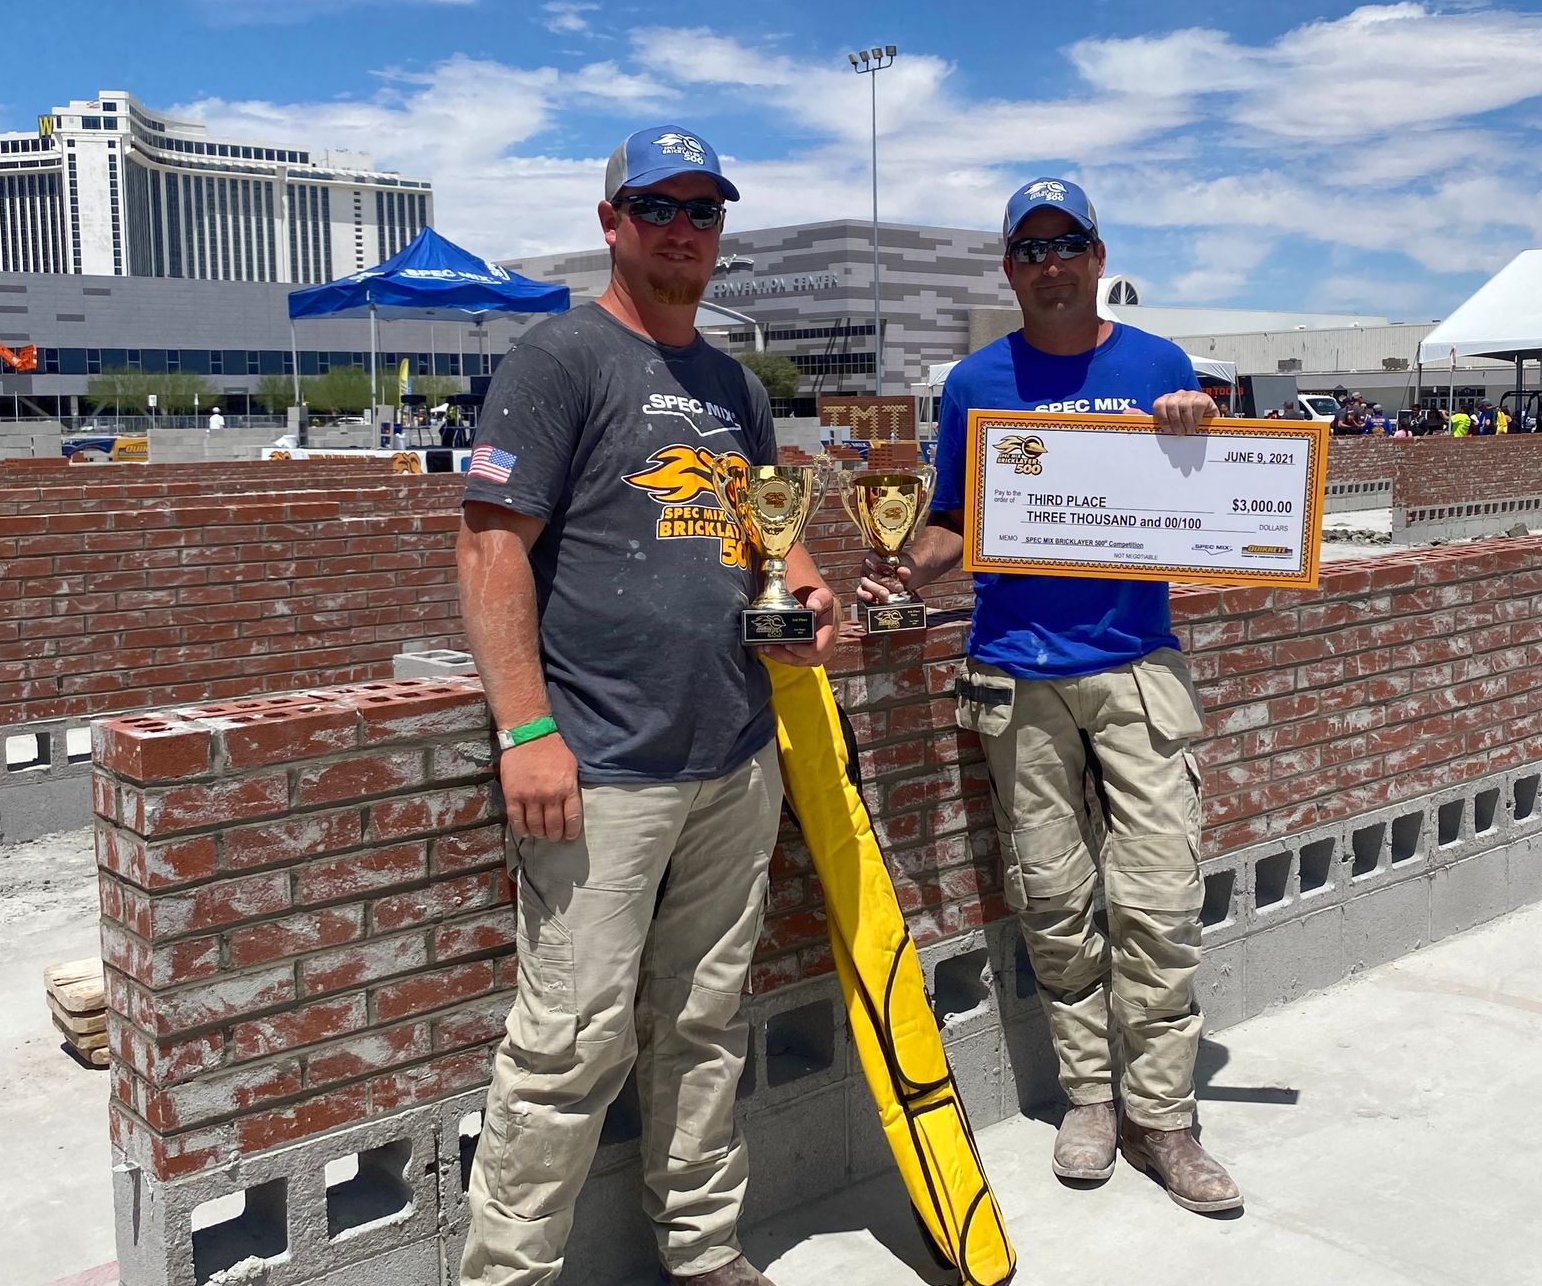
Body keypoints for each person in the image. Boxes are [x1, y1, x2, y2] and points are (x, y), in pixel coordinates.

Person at [456, 125, 837, 1286]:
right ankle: (507, 1275)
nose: (683, 230)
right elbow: (487, 552)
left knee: (707, 1022)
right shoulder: (560, 361)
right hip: (603, 768)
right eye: (658, 209)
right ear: (612, 224)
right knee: (570, 1044)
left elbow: (765, 536)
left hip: (733, 753)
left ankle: (705, 1248)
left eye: (703, 211)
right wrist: (526, 728)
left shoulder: (731, 384)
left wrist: (810, 587)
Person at [858, 177, 1244, 1215]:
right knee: (1055, 902)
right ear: (1009, 267)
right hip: (1015, 668)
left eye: (1066, 242)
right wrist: (905, 570)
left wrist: (1199, 424)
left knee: (1160, 901)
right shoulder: (974, 380)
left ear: (1096, 250)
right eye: (1030, 248)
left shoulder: (1156, 362)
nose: (1050, 262)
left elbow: (1218, 491)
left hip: (1133, 663)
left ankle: (1165, 1117)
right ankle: (1090, 1100)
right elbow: (952, 517)